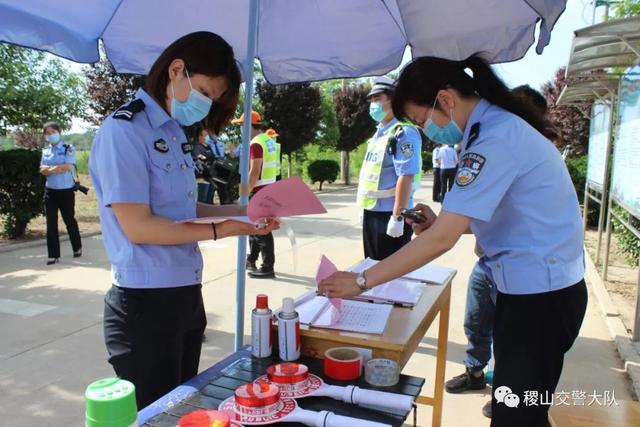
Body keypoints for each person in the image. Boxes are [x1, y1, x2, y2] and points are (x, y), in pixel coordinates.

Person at [319, 54, 587, 427]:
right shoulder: (492, 128)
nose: (426, 130)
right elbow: (509, 215)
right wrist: (444, 223)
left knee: (517, 418)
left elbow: (441, 240)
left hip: (538, 302)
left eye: (420, 120)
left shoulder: (493, 138)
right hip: (540, 292)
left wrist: (362, 280)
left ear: (445, 99)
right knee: (522, 413)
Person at [89, 32, 279, 409]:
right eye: (206, 92)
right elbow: (139, 227)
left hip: (185, 295)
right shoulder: (124, 131)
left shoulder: (174, 134)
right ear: (177, 70)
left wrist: (248, 211)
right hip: (145, 304)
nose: (206, 105)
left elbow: (186, 211)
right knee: (156, 412)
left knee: (182, 408)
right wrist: (224, 230)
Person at [444, 84, 554, 419]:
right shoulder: (496, 142)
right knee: (476, 322)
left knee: (512, 342)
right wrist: (442, 224)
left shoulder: (524, 148)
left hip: (524, 273)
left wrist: (363, 280)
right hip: (488, 261)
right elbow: (479, 214)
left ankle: (509, 392)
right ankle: (476, 372)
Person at [357, 76, 422, 260]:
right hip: (373, 212)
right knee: (372, 267)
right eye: (371, 99)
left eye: (377, 98)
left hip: (390, 215)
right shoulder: (379, 134)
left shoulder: (403, 133)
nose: (372, 104)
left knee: (391, 277)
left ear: (394, 100)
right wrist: (366, 211)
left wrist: (397, 217)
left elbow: (406, 176)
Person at [231, 111, 280, 279]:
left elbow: (254, 172)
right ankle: (251, 259)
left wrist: (243, 194)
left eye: (240, 126)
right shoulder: (268, 140)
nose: (240, 130)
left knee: (261, 230)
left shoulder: (256, 144)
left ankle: (267, 267)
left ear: (247, 126)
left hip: (259, 191)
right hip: (269, 189)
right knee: (255, 229)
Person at [39, 122, 82, 265]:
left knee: (69, 220)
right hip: (50, 191)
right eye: (48, 133)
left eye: (53, 132)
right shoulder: (45, 152)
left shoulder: (68, 148)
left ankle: (77, 247)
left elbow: (67, 166)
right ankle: (53, 255)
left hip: (66, 191)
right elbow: (42, 170)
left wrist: (50, 169)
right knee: (51, 223)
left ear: (59, 132)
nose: (51, 135)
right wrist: (55, 168)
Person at [192, 126, 216, 204]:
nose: (207, 137)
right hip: (202, 178)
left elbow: (212, 157)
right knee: (202, 200)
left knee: (209, 199)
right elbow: (201, 157)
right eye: (205, 135)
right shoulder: (197, 147)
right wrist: (207, 158)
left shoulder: (208, 146)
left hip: (210, 176)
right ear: (200, 136)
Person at [207, 133, 231, 203]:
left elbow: (222, 155)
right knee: (211, 189)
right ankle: (209, 206)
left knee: (223, 189)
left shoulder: (221, 144)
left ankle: (224, 206)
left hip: (221, 168)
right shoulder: (207, 143)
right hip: (212, 167)